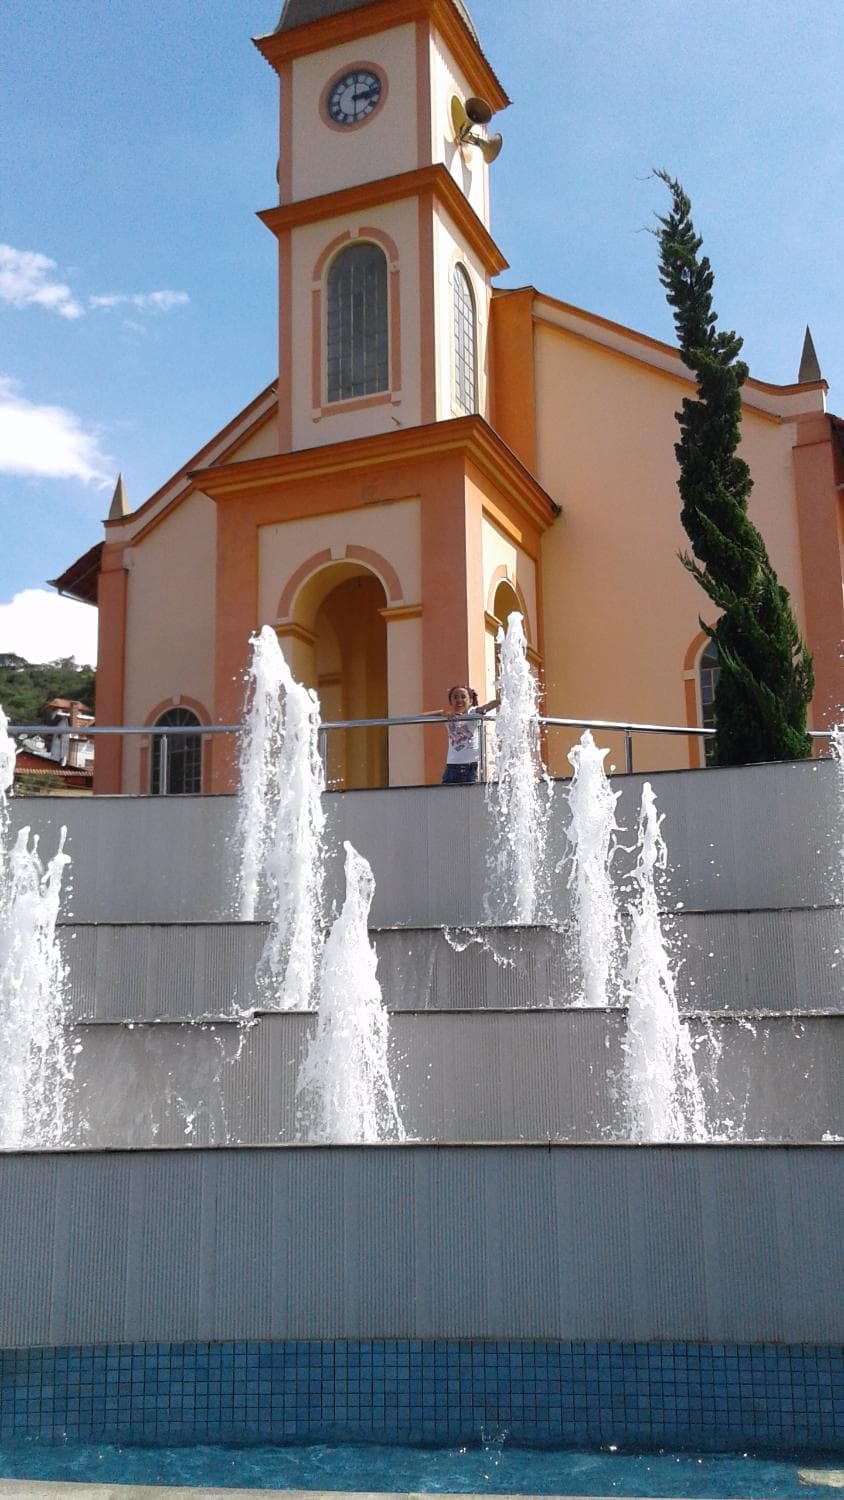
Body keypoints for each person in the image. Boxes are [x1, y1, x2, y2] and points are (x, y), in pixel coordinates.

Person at [439, 684, 496, 785]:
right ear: (450, 702)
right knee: (447, 794)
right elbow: (421, 716)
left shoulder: (473, 713)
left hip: (470, 767)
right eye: (455, 697)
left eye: (463, 697)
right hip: (451, 766)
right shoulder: (449, 717)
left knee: (470, 794)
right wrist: (442, 713)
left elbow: (488, 706)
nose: (459, 700)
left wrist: (501, 699)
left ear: (470, 701)